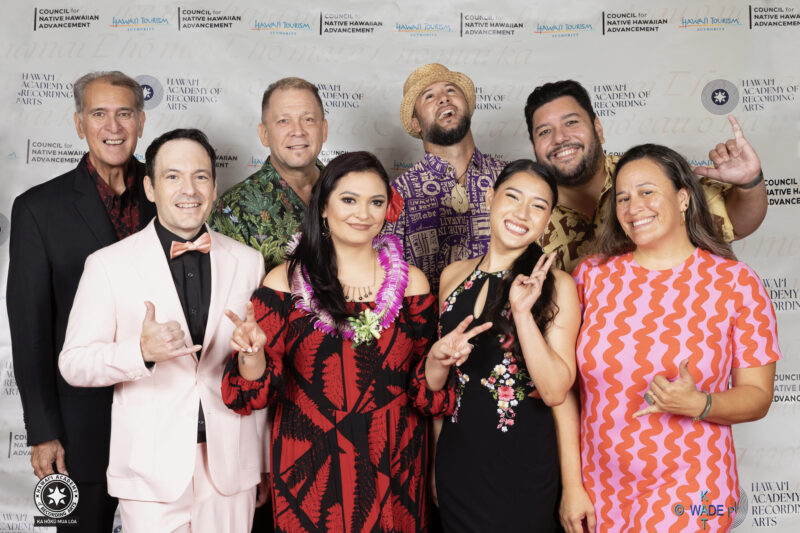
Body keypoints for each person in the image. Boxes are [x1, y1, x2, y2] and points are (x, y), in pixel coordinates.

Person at [221, 151, 490, 532]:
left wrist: (437, 362)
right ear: (324, 206)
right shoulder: (285, 282)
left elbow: (426, 393)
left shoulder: (411, 284)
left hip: (393, 467)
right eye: (349, 199)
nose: (363, 213)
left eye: (375, 202)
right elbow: (253, 393)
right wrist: (252, 354)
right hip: (310, 470)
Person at [58, 129, 266, 532]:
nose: (189, 189)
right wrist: (140, 352)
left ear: (215, 186)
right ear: (150, 188)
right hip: (150, 471)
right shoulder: (108, 264)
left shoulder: (248, 261)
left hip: (230, 469)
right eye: (173, 177)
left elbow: (256, 371)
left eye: (201, 176)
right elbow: (74, 363)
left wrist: (261, 463)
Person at [568, 144, 780, 532]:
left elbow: (758, 396)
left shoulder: (735, 283)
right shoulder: (591, 278)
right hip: (600, 488)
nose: (634, 207)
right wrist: (570, 486)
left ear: (683, 198)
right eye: (623, 198)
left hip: (692, 486)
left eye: (647, 192)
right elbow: (563, 387)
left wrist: (700, 403)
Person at [7, 70, 155, 533]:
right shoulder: (37, 208)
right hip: (76, 429)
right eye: (99, 114)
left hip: (160, 420)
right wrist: (43, 431)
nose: (113, 127)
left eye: (125, 113)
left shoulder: (171, 194)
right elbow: (30, 330)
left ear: (141, 121)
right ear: (78, 124)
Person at [432, 160, 581, 532]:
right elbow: (443, 386)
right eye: (513, 197)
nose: (522, 213)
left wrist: (523, 313)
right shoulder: (451, 275)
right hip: (457, 463)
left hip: (523, 466)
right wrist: (435, 463)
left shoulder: (557, 285)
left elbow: (556, 392)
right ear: (489, 198)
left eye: (538, 205)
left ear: (547, 219)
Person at [524, 80, 768, 273]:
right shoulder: (523, 209)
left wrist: (749, 182)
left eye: (571, 123)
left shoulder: (646, 171)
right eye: (544, 131)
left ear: (598, 128)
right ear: (534, 146)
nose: (559, 138)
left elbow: (736, 224)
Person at [387, 63, 507, 292]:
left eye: (451, 90)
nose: (443, 98)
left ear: (468, 106)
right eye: (429, 96)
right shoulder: (399, 193)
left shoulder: (510, 178)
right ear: (416, 124)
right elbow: (388, 280)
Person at [209, 77, 328, 271]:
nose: (298, 131)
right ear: (264, 134)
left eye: (308, 119)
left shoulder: (350, 194)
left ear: (323, 130)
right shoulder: (233, 208)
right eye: (283, 121)